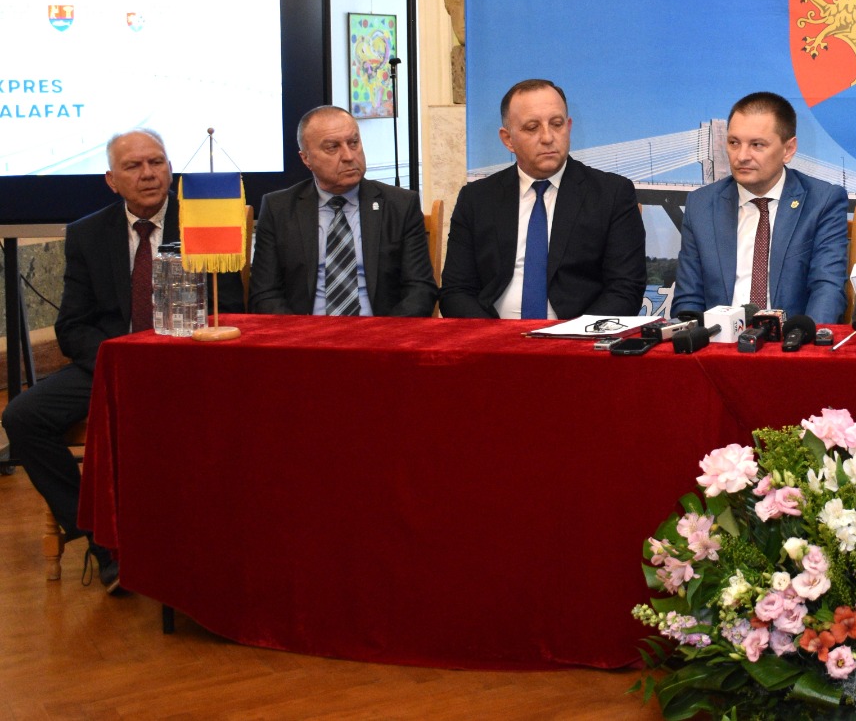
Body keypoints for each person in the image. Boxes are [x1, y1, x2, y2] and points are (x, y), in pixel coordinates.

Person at [2, 130, 236, 591]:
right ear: (112, 179)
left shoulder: (203, 222)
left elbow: (228, 309)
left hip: (188, 363)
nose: (148, 174)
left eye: (157, 162)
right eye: (134, 166)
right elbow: (72, 326)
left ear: (170, 169)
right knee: (22, 417)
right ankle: (101, 538)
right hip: (112, 362)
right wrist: (119, 359)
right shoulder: (88, 233)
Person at [440, 79, 646, 319]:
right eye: (532, 127)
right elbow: (456, 291)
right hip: (493, 334)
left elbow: (625, 290)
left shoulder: (611, 194)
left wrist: (574, 334)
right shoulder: (477, 198)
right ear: (508, 139)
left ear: (568, 127)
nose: (548, 137)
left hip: (578, 335)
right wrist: (492, 337)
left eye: (557, 124)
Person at [672, 92, 849, 323]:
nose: (742, 156)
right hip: (719, 340)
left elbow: (827, 290)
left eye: (757, 145)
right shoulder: (701, 205)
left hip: (791, 340)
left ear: (788, 149)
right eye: (734, 143)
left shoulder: (822, 202)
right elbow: (688, 299)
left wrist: (804, 341)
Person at [249, 106, 438, 317]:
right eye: (333, 147)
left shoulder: (400, 205)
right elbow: (265, 294)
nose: (349, 156)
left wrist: (383, 333)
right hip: (305, 331)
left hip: (380, 331)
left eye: (354, 143)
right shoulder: (279, 209)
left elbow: (420, 290)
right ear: (306, 158)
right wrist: (301, 333)